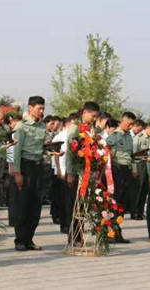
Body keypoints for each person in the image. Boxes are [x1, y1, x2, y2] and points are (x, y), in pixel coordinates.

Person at [11, 96, 47, 251]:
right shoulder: (21, 126)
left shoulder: (42, 126)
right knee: (23, 204)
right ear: (30, 108)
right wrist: (17, 172)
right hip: (25, 166)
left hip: (38, 167)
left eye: (43, 108)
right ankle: (20, 239)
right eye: (39, 108)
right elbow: (15, 150)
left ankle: (29, 239)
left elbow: (42, 147)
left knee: (35, 205)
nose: (42, 111)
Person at [64, 102, 100, 243]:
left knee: (83, 204)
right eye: (93, 116)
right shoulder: (75, 128)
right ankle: (74, 236)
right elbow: (70, 152)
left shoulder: (91, 129)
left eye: (96, 117)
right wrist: (70, 173)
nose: (94, 119)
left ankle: (79, 234)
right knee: (75, 204)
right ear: (84, 112)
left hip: (87, 172)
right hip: (77, 172)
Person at [104, 111, 137, 244]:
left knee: (122, 203)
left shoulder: (129, 136)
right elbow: (106, 149)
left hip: (127, 170)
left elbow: (131, 154)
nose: (130, 127)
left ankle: (118, 232)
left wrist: (134, 168)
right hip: (116, 170)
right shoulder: (115, 136)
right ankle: (109, 232)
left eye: (132, 124)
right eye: (128, 124)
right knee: (114, 202)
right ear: (122, 121)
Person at [131, 121, 150, 221]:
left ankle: (141, 211)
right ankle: (135, 212)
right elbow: (134, 155)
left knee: (145, 190)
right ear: (149, 128)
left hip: (149, 166)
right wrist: (134, 169)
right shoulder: (138, 137)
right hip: (139, 166)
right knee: (138, 190)